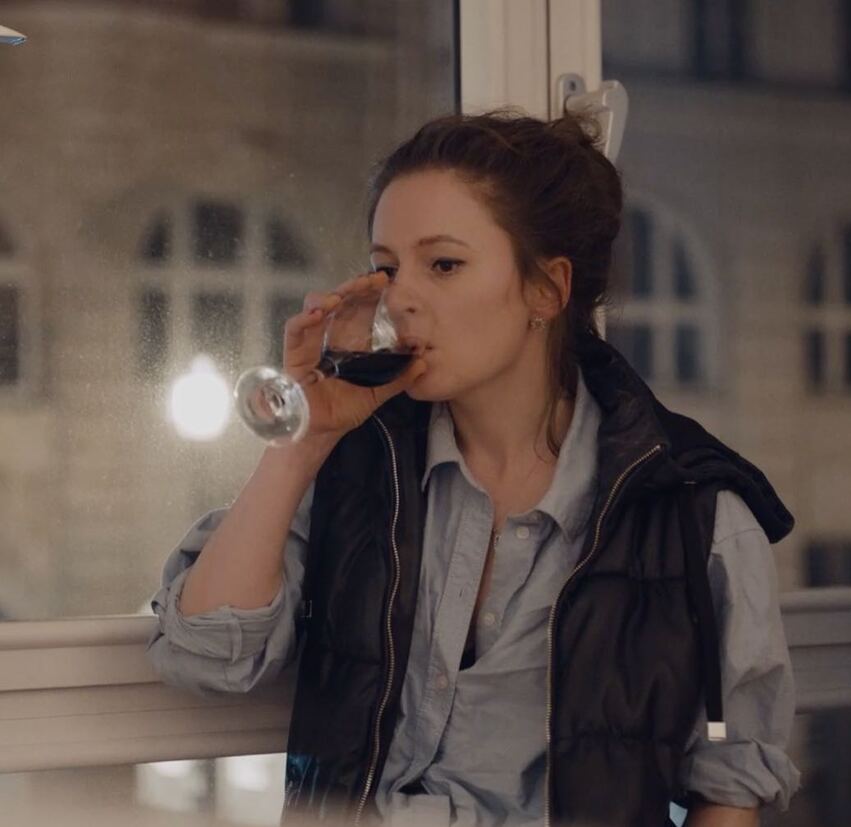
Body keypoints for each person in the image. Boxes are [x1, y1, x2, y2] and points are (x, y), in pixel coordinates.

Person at [146, 110, 801, 827]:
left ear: (546, 289)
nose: (400, 297)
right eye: (387, 268)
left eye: (444, 265)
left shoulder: (692, 508)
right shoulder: (355, 469)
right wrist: (302, 440)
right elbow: (205, 655)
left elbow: (731, 783)